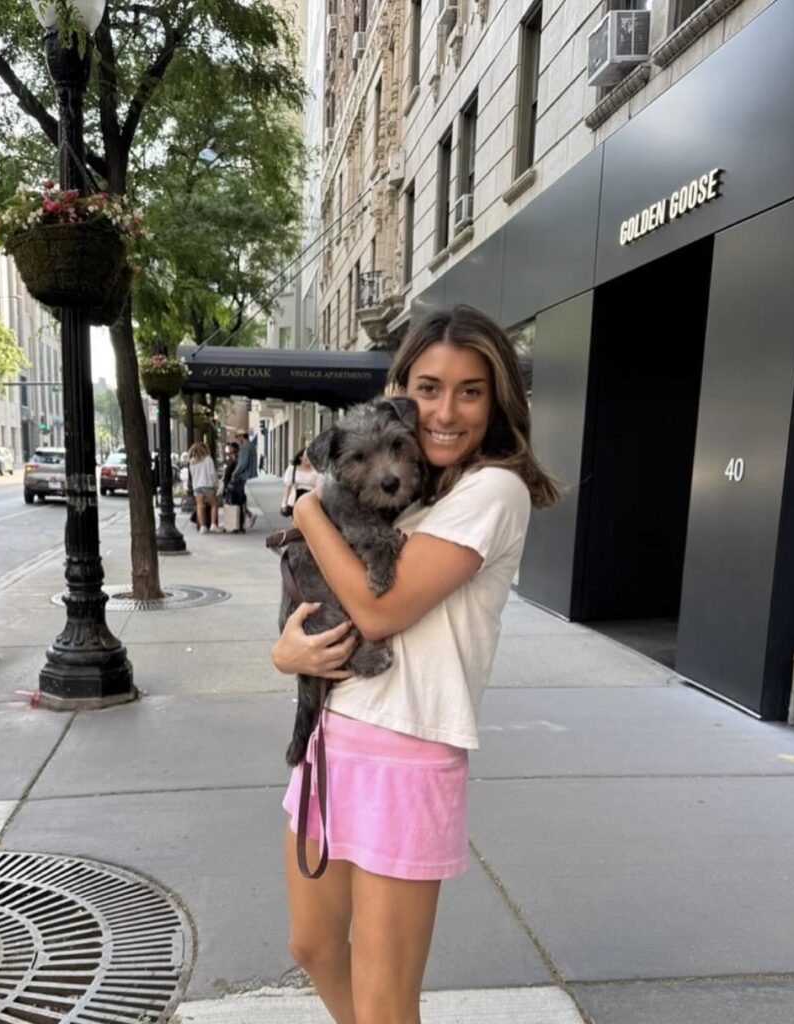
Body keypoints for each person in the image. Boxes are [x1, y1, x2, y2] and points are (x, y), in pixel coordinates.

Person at [271, 305, 558, 1024]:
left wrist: (305, 514)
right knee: (312, 945)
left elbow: (379, 611)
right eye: (428, 388)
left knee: (385, 995)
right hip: (331, 736)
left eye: (470, 390)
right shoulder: (412, 488)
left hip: (408, 751)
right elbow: (328, 595)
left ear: (496, 403)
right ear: (400, 390)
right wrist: (286, 653)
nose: (446, 410)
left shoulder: (492, 491)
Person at [187, 442, 223, 534]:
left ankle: (202, 526)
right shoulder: (208, 459)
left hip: (197, 486)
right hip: (208, 485)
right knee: (214, 504)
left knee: (200, 506)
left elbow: (192, 476)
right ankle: (213, 525)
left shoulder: (192, 462)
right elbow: (212, 474)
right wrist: (216, 484)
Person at [280, 448, 320, 516]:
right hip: (295, 498)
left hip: (311, 498)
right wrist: (284, 502)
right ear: (300, 458)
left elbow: (319, 487)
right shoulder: (292, 469)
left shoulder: (316, 470)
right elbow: (288, 487)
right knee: (296, 519)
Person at [232, 432, 258, 528]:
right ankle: (248, 515)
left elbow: (243, 463)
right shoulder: (250, 445)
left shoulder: (245, 446)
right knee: (241, 496)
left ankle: (248, 515)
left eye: (238, 436)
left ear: (242, 436)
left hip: (241, 475)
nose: (237, 439)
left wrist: (234, 473)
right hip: (246, 474)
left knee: (238, 497)